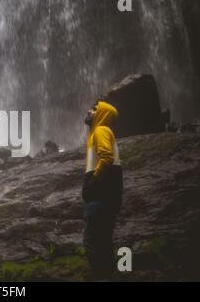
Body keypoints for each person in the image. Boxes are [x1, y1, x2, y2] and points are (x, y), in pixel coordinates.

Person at [82, 100, 123, 280]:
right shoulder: (101, 131)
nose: (90, 111)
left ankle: (100, 275)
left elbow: (106, 157)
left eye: (95, 109)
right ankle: (108, 275)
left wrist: (93, 181)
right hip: (106, 196)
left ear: (101, 114)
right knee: (104, 240)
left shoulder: (100, 130)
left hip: (100, 196)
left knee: (91, 241)